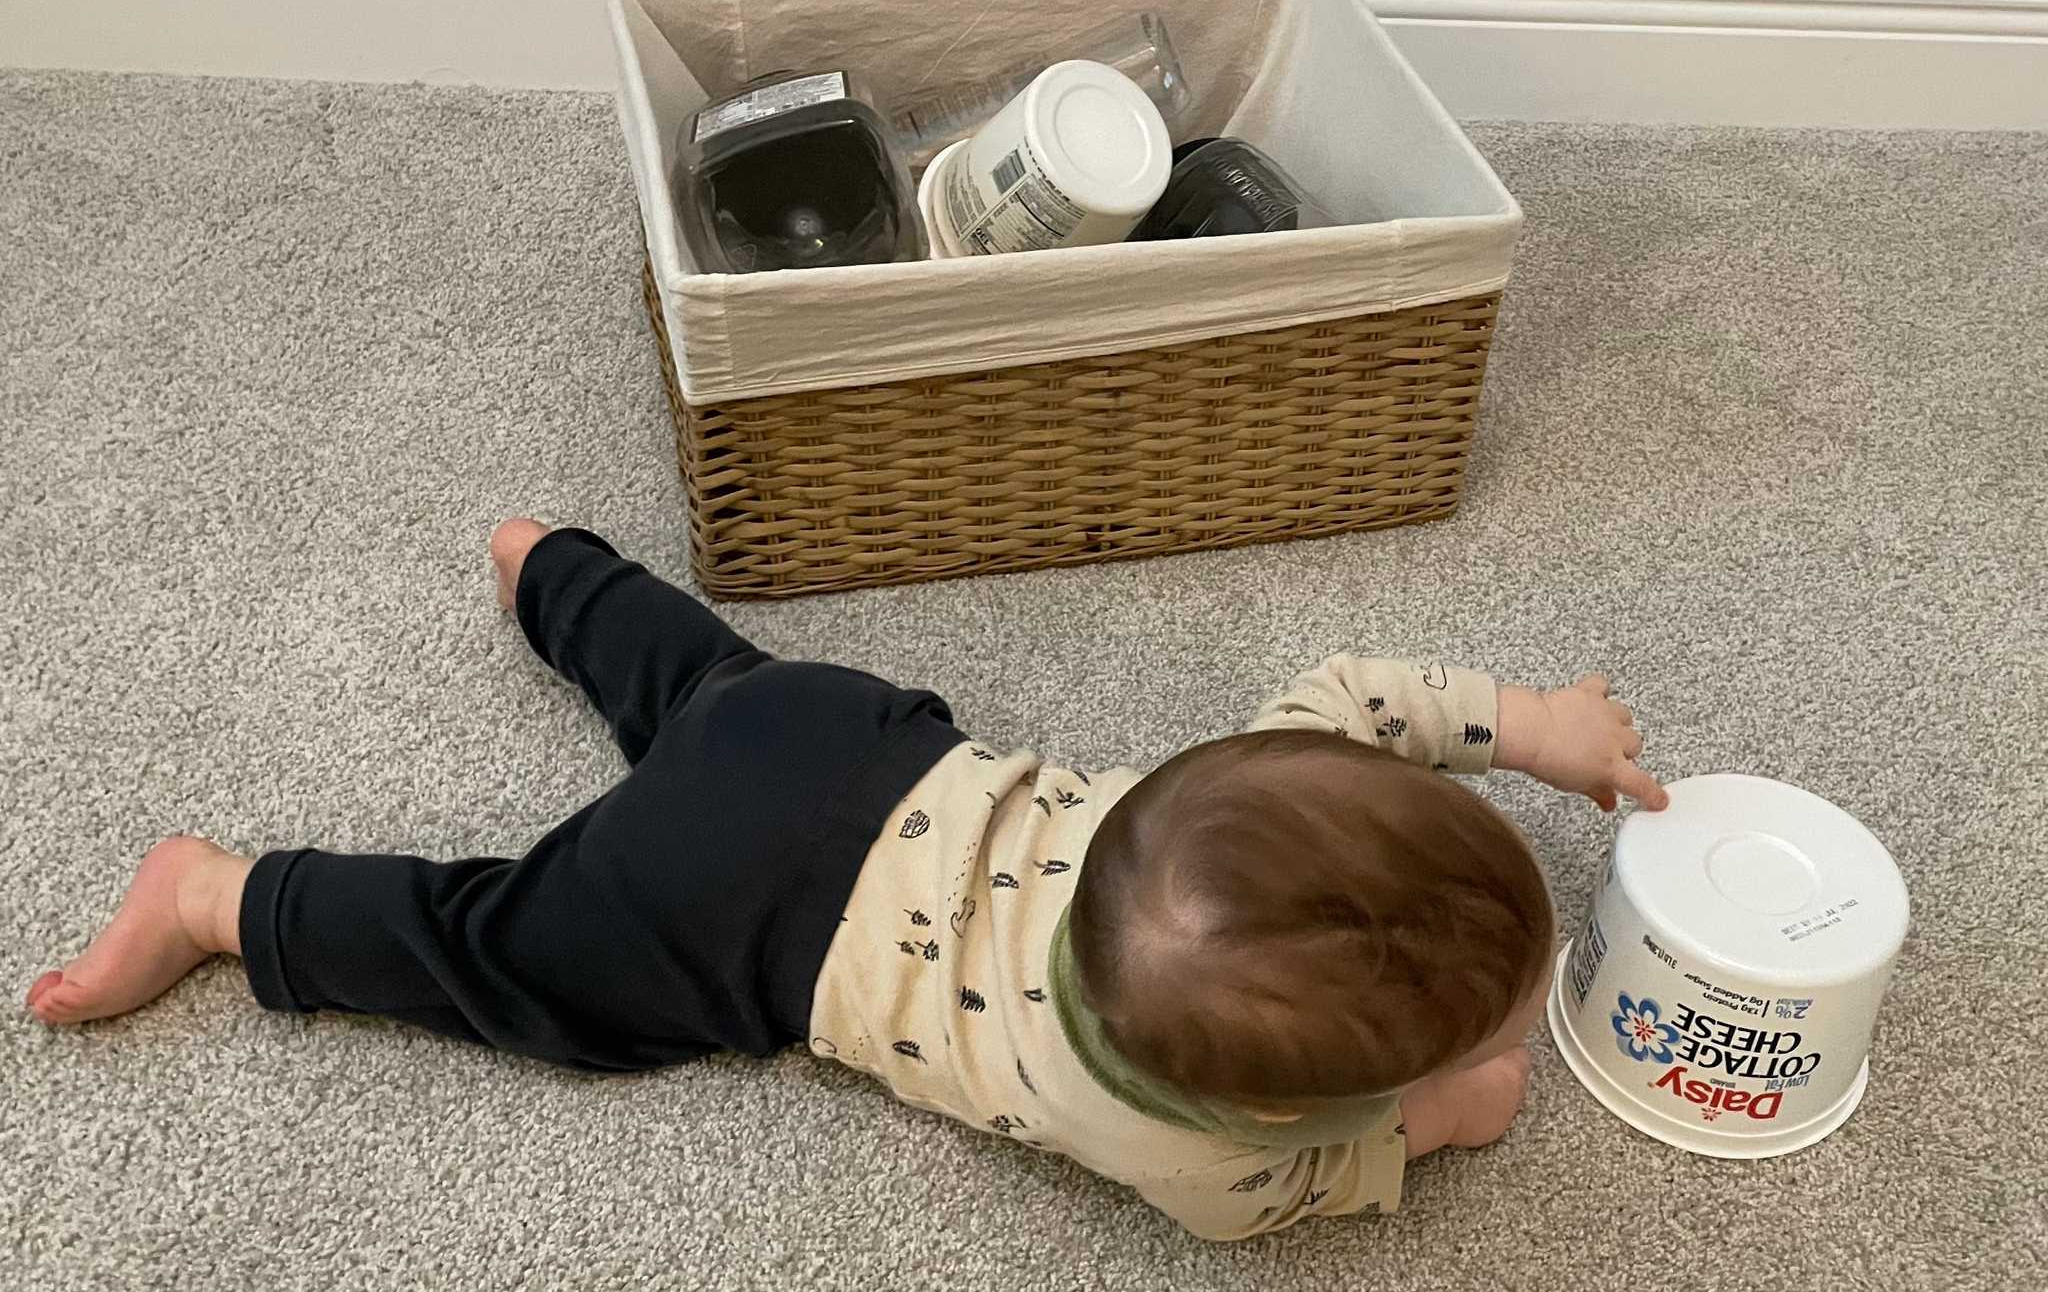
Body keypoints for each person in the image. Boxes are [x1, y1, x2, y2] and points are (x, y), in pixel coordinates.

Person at [25, 521, 1668, 1240]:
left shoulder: (1253, 775)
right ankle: (217, 896)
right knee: (504, 955)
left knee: (706, 691)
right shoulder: (1203, 1154)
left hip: (850, 744)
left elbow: (1360, 697)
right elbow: (1321, 1181)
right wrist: (1444, 1119)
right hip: (743, 929)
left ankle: (555, 570)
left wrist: (1527, 728)